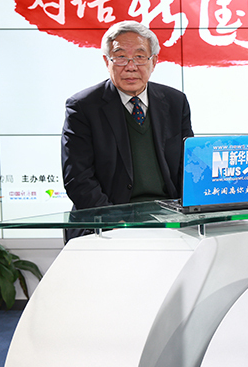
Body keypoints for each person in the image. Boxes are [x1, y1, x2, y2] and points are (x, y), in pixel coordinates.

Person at [61, 21, 194, 242]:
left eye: (140, 57)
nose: (131, 66)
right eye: (120, 57)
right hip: (108, 221)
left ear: (154, 61)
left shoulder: (175, 101)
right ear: (107, 61)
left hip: (168, 220)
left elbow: (188, 167)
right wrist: (114, 222)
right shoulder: (83, 107)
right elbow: (77, 177)